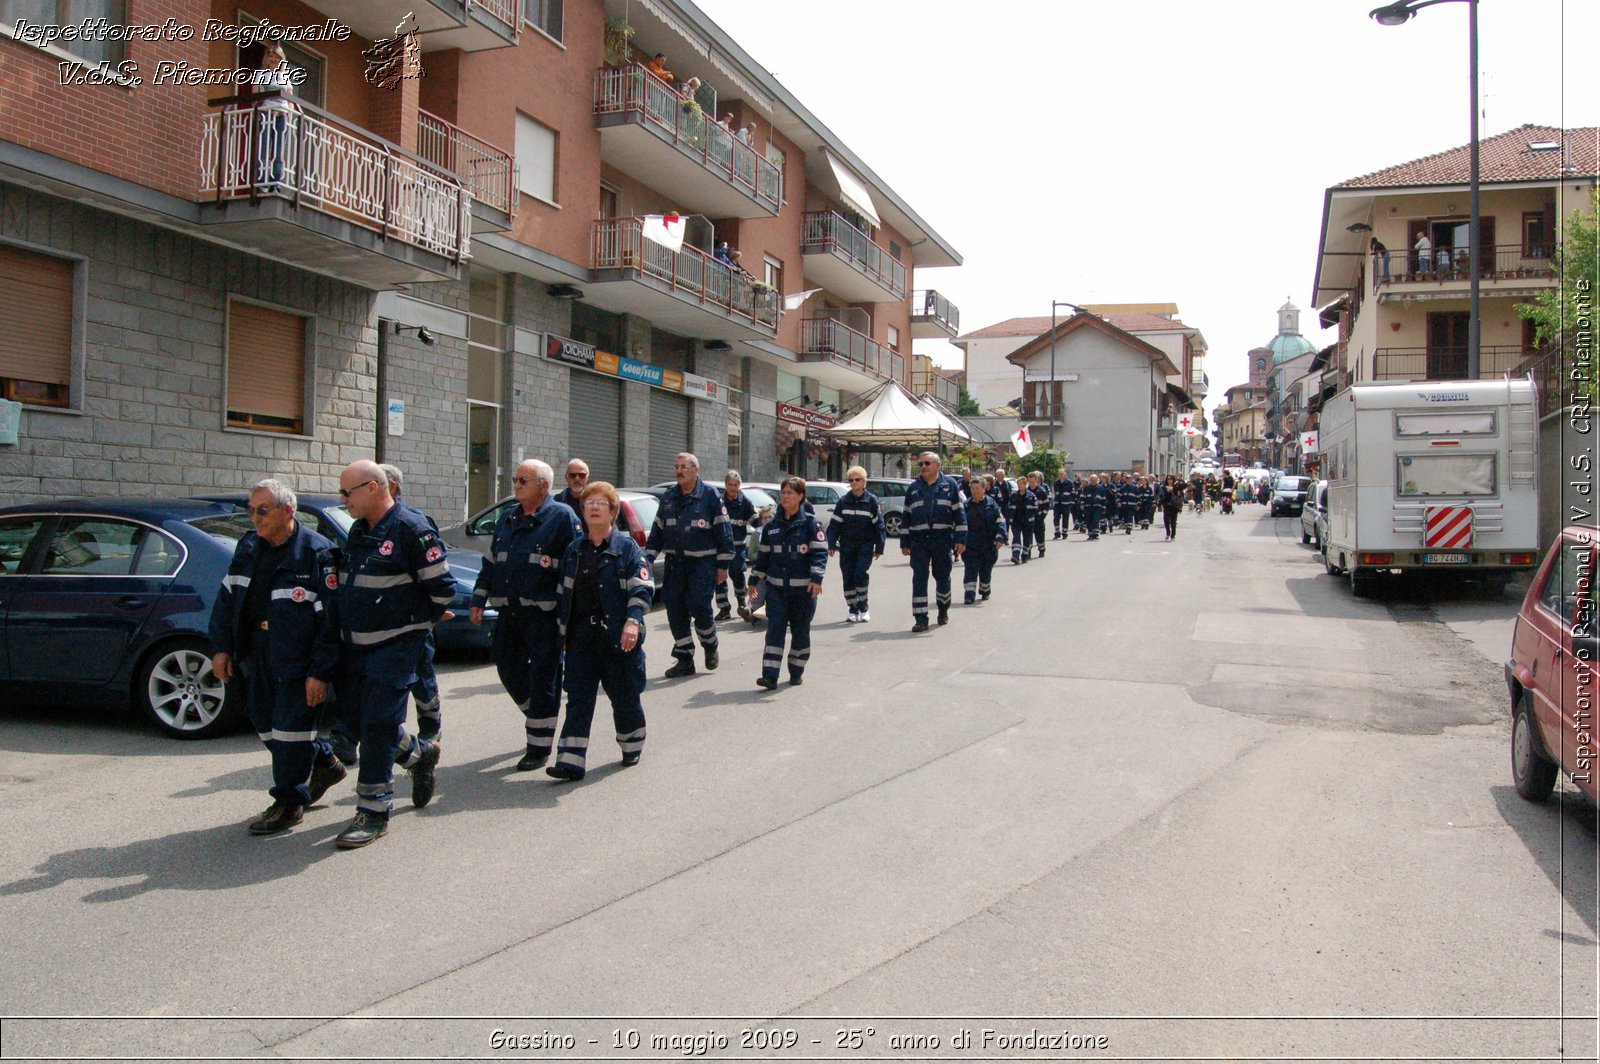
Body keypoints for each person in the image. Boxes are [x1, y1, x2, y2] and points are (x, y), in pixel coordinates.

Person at [209, 478, 343, 835]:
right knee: (267, 727)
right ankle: (324, 763)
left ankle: (288, 802)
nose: (256, 518)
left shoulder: (318, 553)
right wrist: (221, 647)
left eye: (263, 511)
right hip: (257, 653)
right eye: (252, 511)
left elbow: (332, 621)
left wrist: (320, 671)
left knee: (289, 732)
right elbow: (227, 599)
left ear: (288, 511)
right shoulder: (248, 546)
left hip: (298, 660)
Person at [332, 459, 453, 848]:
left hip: (395, 648)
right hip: (356, 647)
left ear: (373, 487)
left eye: (347, 492)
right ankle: (419, 756)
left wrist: (415, 628)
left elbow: (442, 591)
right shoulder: (358, 529)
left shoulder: (411, 529)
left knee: (379, 728)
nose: (342, 499)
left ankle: (373, 812)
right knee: (366, 722)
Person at [471, 459, 580, 771]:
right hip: (510, 612)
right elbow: (491, 563)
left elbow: (571, 571)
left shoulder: (562, 518)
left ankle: (539, 744)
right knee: (507, 666)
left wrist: (567, 618)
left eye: (523, 480)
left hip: (544, 616)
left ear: (543, 487)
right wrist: (479, 598)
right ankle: (538, 715)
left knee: (545, 676)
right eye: (516, 479)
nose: (516, 485)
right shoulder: (508, 518)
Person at [547, 481, 652, 781]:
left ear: (613, 511)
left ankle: (632, 744)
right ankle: (570, 761)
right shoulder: (573, 550)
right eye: (588, 503)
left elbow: (642, 588)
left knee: (624, 696)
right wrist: (563, 634)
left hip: (619, 638)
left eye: (600, 503)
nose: (593, 507)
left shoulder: (626, 548)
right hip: (582, 639)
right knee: (578, 698)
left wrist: (633, 622)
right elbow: (563, 595)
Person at [646, 452, 732, 677]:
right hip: (675, 564)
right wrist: (647, 559)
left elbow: (724, 531)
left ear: (696, 470)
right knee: (674, 609)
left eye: (684, 466)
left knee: (699, 605)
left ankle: (710, 644)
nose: (679, 470)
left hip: (702, 564)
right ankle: (684, 658)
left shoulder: (710, 496)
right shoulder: (668, 497)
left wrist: (723, 564)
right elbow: (657, 530)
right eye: (677, 466)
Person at [379, 464, 441, 744]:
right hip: (380, 619)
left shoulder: (412, 522)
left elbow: (436, 575)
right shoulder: (365, 524)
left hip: (412, 617)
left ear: (391, 487)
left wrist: (430, 612)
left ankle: (431, 725)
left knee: (421, 673)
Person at [750, 476, 826, 689]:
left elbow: (820, 554)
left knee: (801, 633)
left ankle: (796, 670)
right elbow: (763, 557)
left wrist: (816, 579)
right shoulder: (772, 526)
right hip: (777, 591)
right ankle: (770, 675)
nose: (784, 496)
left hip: (803, 592)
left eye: (789, 493)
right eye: (782, 493)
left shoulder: (811, 523)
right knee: (774, 630)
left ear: (800, 496)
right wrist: (754, 580)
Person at [900, 452, 965, 631]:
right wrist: (904, 542)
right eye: (920, 464)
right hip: (919, 541)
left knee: (943, 577)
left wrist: (960, 539)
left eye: (927, 463)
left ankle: (943, 608)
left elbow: (959, 514)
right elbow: (906, 516)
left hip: (942, 539)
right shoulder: (913, 488)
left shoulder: (950, 485)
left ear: (938, 465)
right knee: (919, 578)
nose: (923, 467)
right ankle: (920, 618)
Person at [826, 464, 885, 623]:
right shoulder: (843, 501)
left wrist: (879, 546)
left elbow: (879, 525)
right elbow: (835, 524)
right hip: (846, 545)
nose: (854, 483)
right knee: (848, 576)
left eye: (857, 480)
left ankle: (864, 607)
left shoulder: (871, 501)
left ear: (864, 482)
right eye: (851, 480)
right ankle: (853, 609)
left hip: (865, 545)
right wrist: (831, 544)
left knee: (860, 573)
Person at [255, 41, 299, 190]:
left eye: (277, 57)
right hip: (267, 114)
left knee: (278, 151)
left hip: (281, 115)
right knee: (264, 148)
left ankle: (275, 182)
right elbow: (255, 95)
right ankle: (261, 181)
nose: (273, 59)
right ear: (267, 58)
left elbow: (290, 98)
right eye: (271, 56)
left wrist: (290, 115)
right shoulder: (261, 74)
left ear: (281, 59)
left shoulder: (284, 76)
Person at [715, 470, 756, 622]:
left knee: (738, 576)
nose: (733, 487)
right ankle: (724, 609)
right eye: (730, 484)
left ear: (739, 485)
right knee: (719, 578)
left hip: (737, 548)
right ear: (725, 485)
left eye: (736, 484)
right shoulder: (719, 502)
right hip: (720, 549)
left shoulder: (744, 502)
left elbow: (755, 520)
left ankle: (742, 604)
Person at [961, 476, 1007, 604]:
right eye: (972, 488)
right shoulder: (965, 506)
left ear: (984, 488)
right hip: (971, 545)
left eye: (977, 488)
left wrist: (1000, 537)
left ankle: (985, 590)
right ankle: (969, 594)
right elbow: (960, 524)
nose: (975, 491)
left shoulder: (992, 504)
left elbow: (1000, 521)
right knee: (970, 569)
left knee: (985, 571)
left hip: (988, 545)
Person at [1007, 474, 1035, 564]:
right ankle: (1015, 555)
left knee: (1027, 539)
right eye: (1018, 484)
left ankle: (1025, 555)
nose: (1019, 486)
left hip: (1028, 521)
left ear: (1025, 484)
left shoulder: (1031, 496)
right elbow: (1009, 507)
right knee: (1016, 538)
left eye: (1021, 484)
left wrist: (1033, 517)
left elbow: (1036, 508)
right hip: (1016, 521)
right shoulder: (1014, 496)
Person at [1027, 471, 1050, 555]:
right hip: (1028, 519)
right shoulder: (1026, 491)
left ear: (1037, 480)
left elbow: (1046, 506)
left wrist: (1042, 516)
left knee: (1039, 536)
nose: (1031, 484)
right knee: (1028, 537)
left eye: (1033, 482)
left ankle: (1041, 549)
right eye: (1030, 482)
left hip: (1038, 518)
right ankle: (1027, 552)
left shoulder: (1042, 491)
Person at [1159, 474, 1185, 541]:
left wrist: (1174, 489)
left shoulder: (1176, 486)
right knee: (1166, 519)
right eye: (1168, 479)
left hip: (1174, 505)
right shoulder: (1164, 486)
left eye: (1171, 479)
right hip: (1167, 504)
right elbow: (1161, 495)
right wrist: (1166, 491)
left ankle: (1173, 535)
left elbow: (1182, 490)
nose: (1169, 480)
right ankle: (1168, 532)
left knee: (1173, 521)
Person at [1082, 474, 1105, 541]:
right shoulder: (1086, 488)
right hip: (1088, 507)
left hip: (1097, 507)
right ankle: (1090, 534)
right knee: (1088, 521)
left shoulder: (1100, 488)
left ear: (1097, 480)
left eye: (1094, 480)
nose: (1093, 481)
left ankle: (1095, 534)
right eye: (1092, 480)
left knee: (1095, 520)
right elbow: (1083, 497)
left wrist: (1104, 506)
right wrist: (1082, 504)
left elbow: (1103, 498)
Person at [1052, 469, 1074, 539]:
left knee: (1065, 519)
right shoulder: (1056, 482)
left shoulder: (1069, 483)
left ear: (1065, 475)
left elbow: (1072, 492)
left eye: (1062, 474)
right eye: (1060, 474)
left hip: (1066, 503)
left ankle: (1064, 533)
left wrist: (1068, 495)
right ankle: (1057, 532)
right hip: (1057, 503)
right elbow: (1055, 492)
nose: (1061, 476)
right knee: (1056, 518)